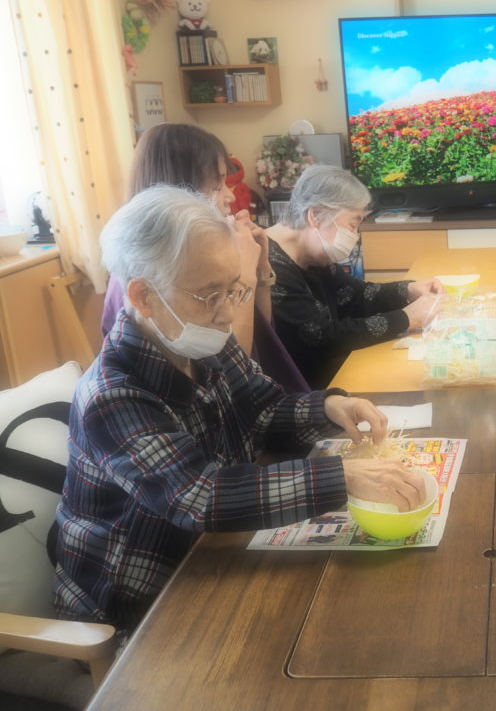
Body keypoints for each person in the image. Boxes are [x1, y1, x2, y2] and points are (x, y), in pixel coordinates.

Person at [55, 186, 427, 633]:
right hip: (134, 603)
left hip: (214, 555)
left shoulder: (200, 339)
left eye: (233, 290)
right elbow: (198, 496)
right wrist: (342, 477)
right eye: (208, 294)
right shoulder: (111, 394)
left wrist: (330, 407)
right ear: (144, 296)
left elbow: (264, 411)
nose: (226, 314)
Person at [100, 123, 273, 361]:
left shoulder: (209, 260)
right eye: (217, 186)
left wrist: (261, 270)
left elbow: (263, 336)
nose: (230, 196)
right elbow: (233, 368)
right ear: (178, 195)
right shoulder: (147, 281)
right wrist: (245, 276)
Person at [265, 165, 443, 388]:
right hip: (308, 390)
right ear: (316, 216)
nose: (355, 235)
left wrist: (408, 290)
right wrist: (407, 318)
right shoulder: (270, 266)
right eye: (352, 224)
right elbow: (325, 338)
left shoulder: (312, 255)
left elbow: (354, 295)